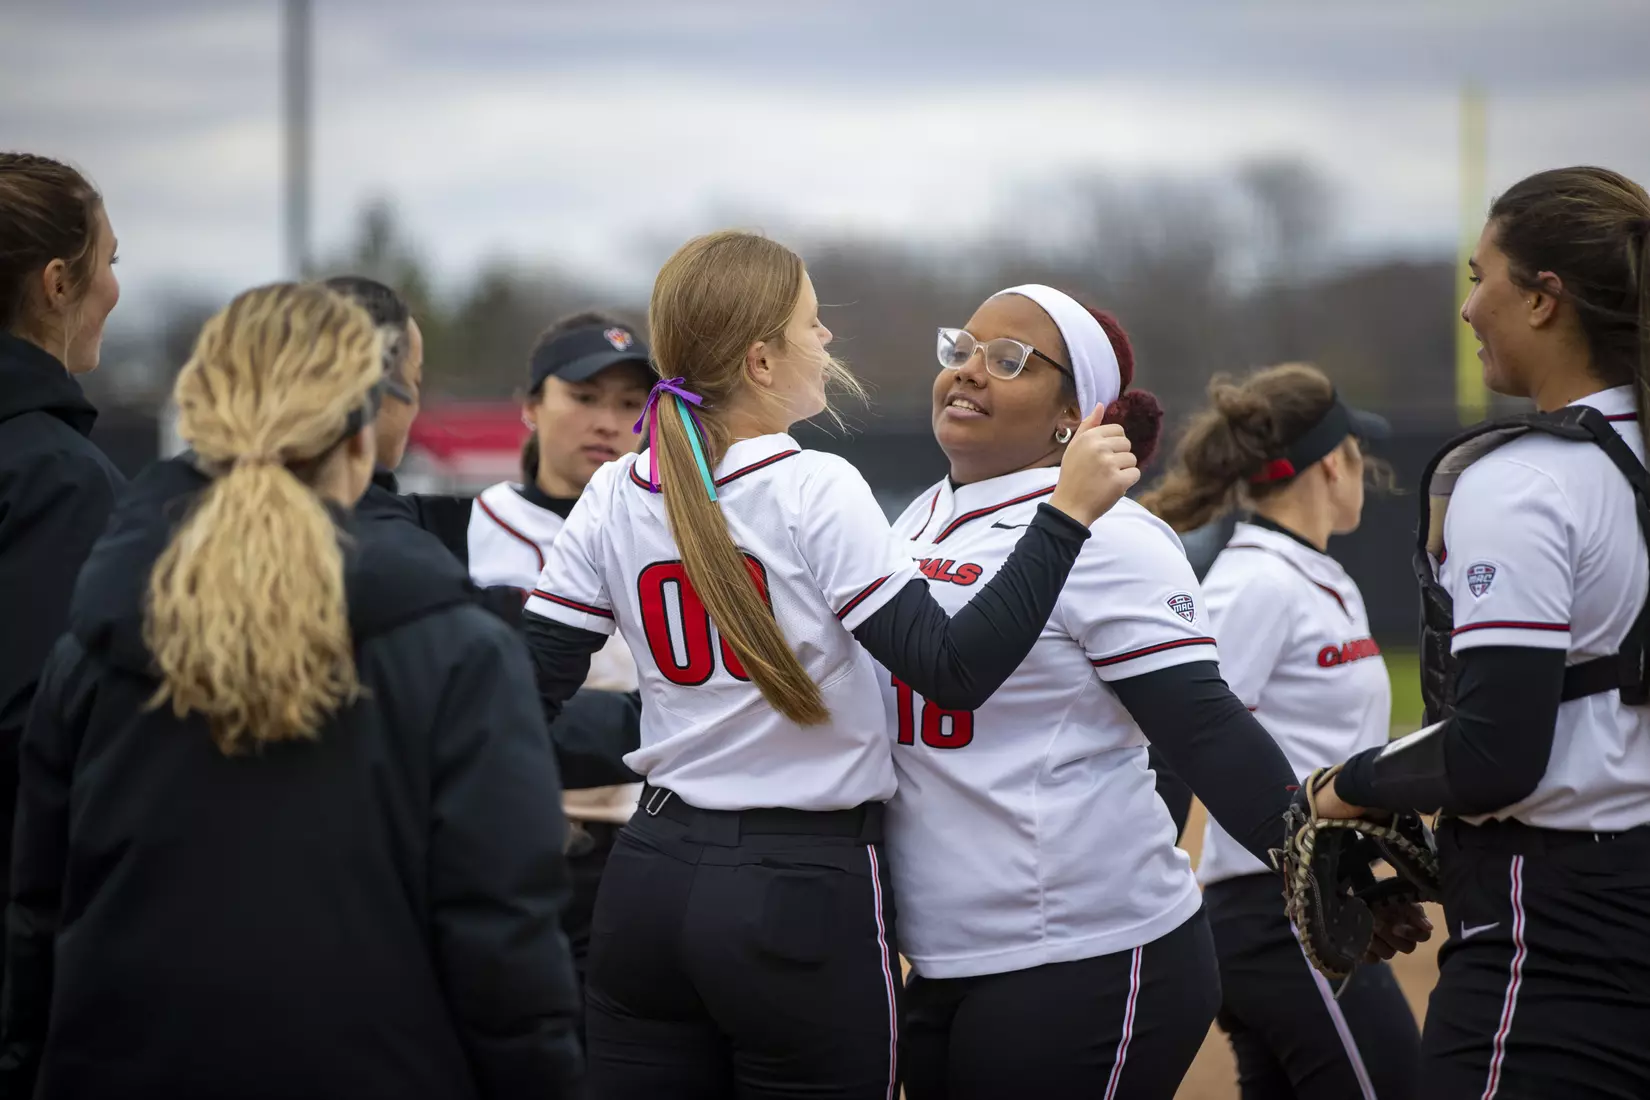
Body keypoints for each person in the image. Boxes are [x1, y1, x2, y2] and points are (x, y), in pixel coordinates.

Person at [522, 230, 1142, 1099]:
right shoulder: (815, 485)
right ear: (761, 360)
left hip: (647, 879)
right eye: (813, 325)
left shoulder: (613, 490)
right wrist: (1066, 515)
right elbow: (954, 669)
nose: (828, 341)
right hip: (797, 887)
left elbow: (517, 698)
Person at [0, 283, 583, 1099]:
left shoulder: (95, 639)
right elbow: (504, 943)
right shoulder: (457, 649)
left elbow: (38, 917)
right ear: (360, 431)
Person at [882, 285, 1422, 1100]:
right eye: (959, 349)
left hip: (1083, 948)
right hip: (951, 948)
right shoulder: (915, 518)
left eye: (1008, 360)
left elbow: (1202, 729)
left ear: (1075, 414)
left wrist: (1320, 862)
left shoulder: (1114, 534)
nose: (967, 372)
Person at [1313, 166, 1650, 1099]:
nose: (1469, 307)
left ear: (1545, 300)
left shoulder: (1528, 479)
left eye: (1481, 275)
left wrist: (1346, 784)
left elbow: (1499, 753)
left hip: (1559, 929)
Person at [1144, 362, 1419, 1100]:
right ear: (1334, 462)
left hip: (1317, 900)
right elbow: (1179, 736)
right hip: (1271, 912)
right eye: (1360, 452)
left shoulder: (1315, 576)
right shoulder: (1252, 584)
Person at [467, 309, 654, 1005]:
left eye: (630, 403)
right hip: (514, 843)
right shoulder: (468, 526)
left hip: (646, 843)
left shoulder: (676, 531)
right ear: (530, 405)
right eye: (583, 396)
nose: (608, 421)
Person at [0, 154, 125, 963]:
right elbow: (41, 731)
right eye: (109, 261)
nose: (115, 286)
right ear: (55, 284)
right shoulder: (55, 475)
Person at [323, 275, 472, 560]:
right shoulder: (402, 558)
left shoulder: (230, 513)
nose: (415, 404)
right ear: (376, 393)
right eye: (414, 381)